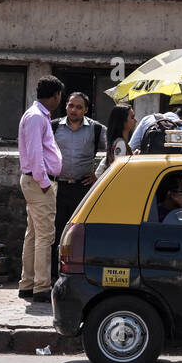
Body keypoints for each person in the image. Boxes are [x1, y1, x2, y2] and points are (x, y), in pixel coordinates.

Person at [51, 92, 107, 276]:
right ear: (66, 106)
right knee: (55, 233)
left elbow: (116, 150)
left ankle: (76, 275)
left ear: (86, 110)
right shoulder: (53, 127)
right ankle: (53, 275)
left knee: (78, 232)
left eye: (78, 107)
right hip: (56, 188)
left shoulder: (96, 129)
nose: (73, 110)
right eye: (70, 105)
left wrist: (98, 174)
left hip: (82, 189)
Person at [18, 76, 64, 303]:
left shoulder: (36, 115)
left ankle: (28, 284)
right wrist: (45, 184)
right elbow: (36, 155)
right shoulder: (37, 117)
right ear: (55, 96)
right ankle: (41, 287)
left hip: (34, 181)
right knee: (45, 236)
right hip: (39, 182)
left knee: (34, 235)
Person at [95, 104, 138, 179]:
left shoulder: (119, 142)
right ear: (123, 121)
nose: (136, 120)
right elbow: (119, 171)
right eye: (132, 117)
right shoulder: (120, 144)